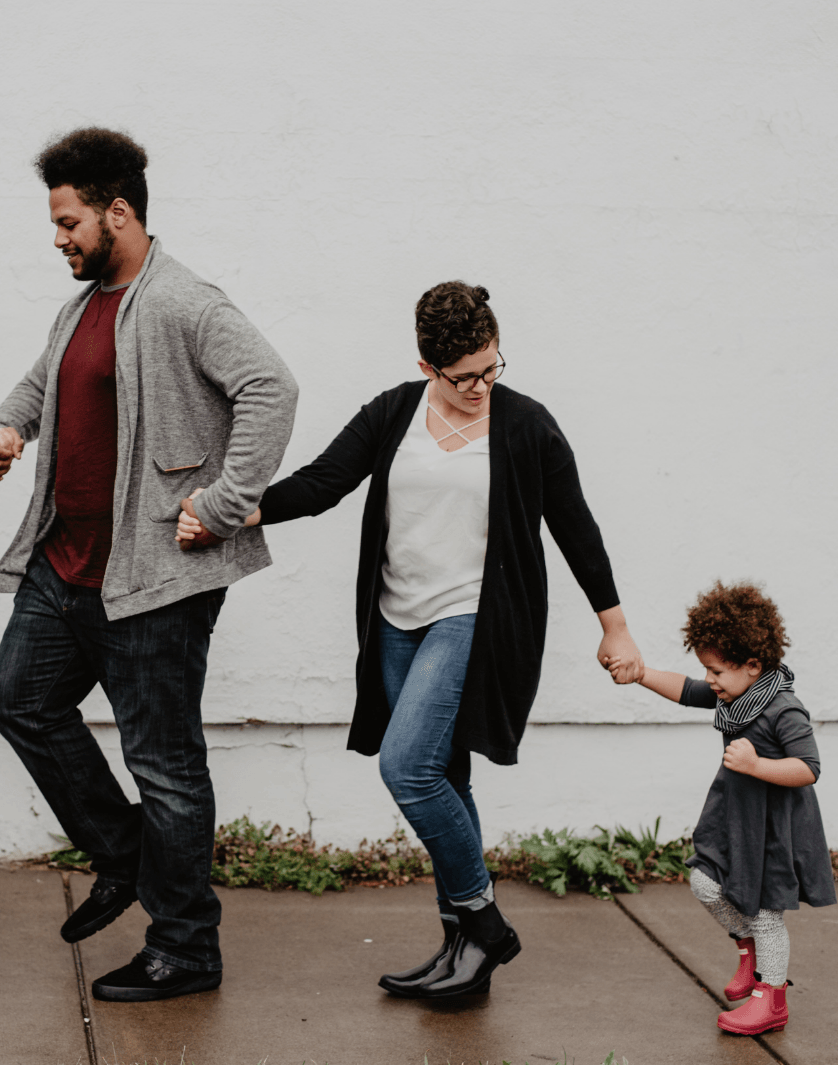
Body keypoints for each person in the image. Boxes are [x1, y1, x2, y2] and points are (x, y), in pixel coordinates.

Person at [177, 281, 644, 998]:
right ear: (429, 367)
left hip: (472, 618)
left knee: (409, 769)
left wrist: (614, 626)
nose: (481, 386)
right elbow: (324, 482)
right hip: (396, 621)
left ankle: (485, 924)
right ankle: (462, 953)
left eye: (493, 368)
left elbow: (575, 525)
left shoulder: (526, 426)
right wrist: (230, 513)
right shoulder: (397, 412)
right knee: (445, 777)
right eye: (464, 377)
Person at [0, 128, 298, 1002]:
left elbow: (273, 388)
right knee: (17, 699)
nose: (58, 237)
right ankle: (124, 856)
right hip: (65, 565)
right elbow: (42, 385)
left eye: (69, 220)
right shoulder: (81, 306)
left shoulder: (185, 302)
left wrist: (224, 503)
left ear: (118, 212)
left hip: (152, 578)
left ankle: (186, 946)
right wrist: (2, 428)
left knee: (165, 763)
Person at [608, 581, 835, 1036]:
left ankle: (771, 999)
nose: (710, 679)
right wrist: (640, 672)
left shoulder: (783, 708)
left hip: (771, 827)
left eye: (716, 670)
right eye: (707, 669)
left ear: (753, 665)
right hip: (734, 818)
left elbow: (808, 768)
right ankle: (747, 952)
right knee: (704, 881)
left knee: (765, 912)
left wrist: (756, 765)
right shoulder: (735, 696)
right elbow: (687, 689)